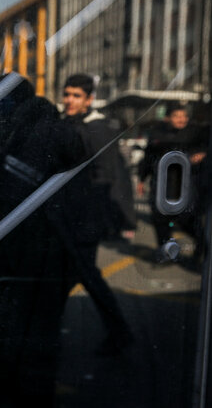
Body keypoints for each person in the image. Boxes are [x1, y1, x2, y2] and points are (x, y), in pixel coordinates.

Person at [0, 56, 87, 406]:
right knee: (10, 332)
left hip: (46, 252)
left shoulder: (40, 128)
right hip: (20, 251)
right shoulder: (8, 127)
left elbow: (26, 183)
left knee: (33, 342)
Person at [61, 74, 134, 355]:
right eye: (67, 94)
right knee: (77, 275)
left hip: (85, 218)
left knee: (85, 275)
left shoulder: (98, 129)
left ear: (89, 100)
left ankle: (120, 331)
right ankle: (119, 331)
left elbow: (104, 179)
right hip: (72, 216)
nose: (69, 100)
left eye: (76, 96)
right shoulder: (71, 123)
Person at [137, 103, 208, 261]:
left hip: (185, 184)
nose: (181, 119)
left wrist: (201, 154)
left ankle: (203, 246)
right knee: (160, 221)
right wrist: (142, 179)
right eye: (177, 116)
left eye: (184, 116)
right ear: (167, 118)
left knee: (187, 219)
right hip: (161, 184)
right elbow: (148, 158)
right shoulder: (157, 134)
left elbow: (206, 147)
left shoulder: (196, 133)